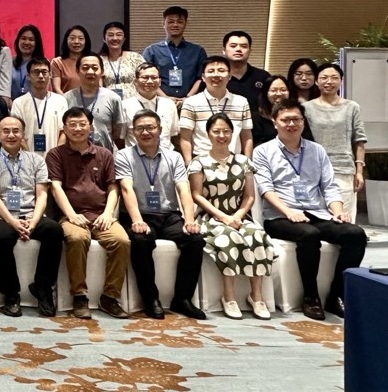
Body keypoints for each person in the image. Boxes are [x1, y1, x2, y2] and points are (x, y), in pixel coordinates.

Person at [254, 99, 367, 320]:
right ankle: (311, 297)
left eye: (296, 119)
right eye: (285, 120)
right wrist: (289, 212)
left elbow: (329, 186)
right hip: (280, 216)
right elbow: (265, 189)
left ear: (303, 122)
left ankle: (337, 295)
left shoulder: (317, 150)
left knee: (355, 234)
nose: (291, 124)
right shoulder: (263, 151)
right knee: (309, 235)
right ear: (275, 122)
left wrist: (337, 211)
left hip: (316, 212)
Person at [116, 110, 205, 320]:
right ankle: (150, 299)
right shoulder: (123, 155)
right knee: (140, 240)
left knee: (195, 240)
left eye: (150, 127)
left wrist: (189, 220)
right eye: (140, 128)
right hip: (138, 214)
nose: (146, 132)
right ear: (133, 132)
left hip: (168, 215)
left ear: (160, 130)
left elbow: (183, 188)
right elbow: (126, 189)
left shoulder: (173, 157)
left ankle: (182, 299)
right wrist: (137, 220)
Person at [47, 107, 130, 320]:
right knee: (77, 239)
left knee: (121, 241)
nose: (78, 129)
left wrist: (108, 213)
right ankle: (79, 296)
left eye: (82, 124)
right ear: (64, 129)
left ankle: (110, 297)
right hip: (70, 216)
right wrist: (71, 214)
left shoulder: (104, 154)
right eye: (72, 125)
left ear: (90, 127)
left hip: (101, 215)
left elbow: (113, 188)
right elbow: (55, 187)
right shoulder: (55, 154)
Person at [189, 113, 274, 320]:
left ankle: (256, 296)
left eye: (226, 131)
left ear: (232, 133)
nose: (221, 136)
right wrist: (223, 217)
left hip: (239, 216)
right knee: (228, 237)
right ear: (208, 134)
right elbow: (197, 195)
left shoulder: (243, 162)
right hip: (210, 217)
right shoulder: (199, 162)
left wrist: (238, 215)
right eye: (216, 131)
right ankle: (229, 296)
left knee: (257, 236)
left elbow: (250, 196)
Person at [0, 116, 63, 317]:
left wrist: (33, 221)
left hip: (32, 214)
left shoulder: (36, 160)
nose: (11, 135)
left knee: (54, 230)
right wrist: (12, 222)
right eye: (6, 131)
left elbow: (42, 194)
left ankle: (43, 287)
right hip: (4, 216)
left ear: (23, 135)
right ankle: (11, 294)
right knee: (1, 236)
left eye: (16, 131)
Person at [304, 63, 368, 223]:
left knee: (344, 218)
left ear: (341, 81)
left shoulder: (352, 107)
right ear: (316, 81)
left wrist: (359, 171)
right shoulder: (306, 108)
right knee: (317, 219)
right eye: (324, 78)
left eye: (334, 78)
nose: (329, 81)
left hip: (343, 169)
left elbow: (359, 140)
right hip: (313, 170)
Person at [179, 56, 253, 164]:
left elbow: (246, 136)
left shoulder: (241, 102)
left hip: (234, 161)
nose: (216, 74)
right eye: (211, 71)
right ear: (203, 77)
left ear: (230, 76)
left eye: (221, 71)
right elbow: (185, 138)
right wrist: (189, 164)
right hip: (201, 161)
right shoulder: (191, 102)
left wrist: (248, 163)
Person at [141, 6, 207, 100]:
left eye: (180, 22)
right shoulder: (152, 51)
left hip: (191, 102)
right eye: (171, 22)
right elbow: (146, 77)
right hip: (159, 101)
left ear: (186, 24)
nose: (175, 25)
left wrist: (188, 98)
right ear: (163, 24)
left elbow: (201, 78)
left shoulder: (198, 51)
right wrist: (165, 98)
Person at [63, 53, 125, 152]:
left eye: (95, 68)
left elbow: (117, 132)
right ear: (77, 71)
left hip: (104, 155)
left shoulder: (113, 98)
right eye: (85, 68)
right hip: (72, 155)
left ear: (102, 71)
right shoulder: (66, 98)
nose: (90, 72)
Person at [9, 58, 67, 158]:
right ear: (28, 76)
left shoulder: (60, 101)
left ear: (50, 75)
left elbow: (64, 132)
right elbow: (17, 133)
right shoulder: (19, 103)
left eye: (44, 72)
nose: (40, 76)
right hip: (26, 158)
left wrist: (55, 157)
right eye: (36, 72)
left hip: (54, 159)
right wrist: (29, 158)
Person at [121, 63, 180, 152]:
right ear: (135, 82)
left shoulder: (169, 104)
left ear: (159, 81)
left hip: (165, 156)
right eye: (145, 77)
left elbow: (174, 134)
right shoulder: (125, 105)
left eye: (154, 77)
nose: (150, 81)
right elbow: (120, 138)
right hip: (135, 157)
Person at [253, 75, 313, 145]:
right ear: (266, 93)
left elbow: (308, 139)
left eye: (283, 90)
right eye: (273, 90)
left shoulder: (297, 113)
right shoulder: (256, 117)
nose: (279, 93)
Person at [99, 22, 145, 99]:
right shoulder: (99, 60)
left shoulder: (136, 57)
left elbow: (147, 78)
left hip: (133, 101)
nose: (115, 38)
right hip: (108, 101)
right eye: (110, 35)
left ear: (124, 38)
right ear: (104, 38)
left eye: (119, 35)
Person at [223, 31, 270, 101]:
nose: (238, 49)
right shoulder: (217, 77)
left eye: (244, 46)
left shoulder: (263, 76)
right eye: (233, 46)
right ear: (224, 50)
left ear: (250, 50)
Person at [50, 25, 89, 94]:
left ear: (86, 41)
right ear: (66, 40)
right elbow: (57, 89)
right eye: (72, 38)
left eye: (81, 38)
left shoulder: (92, 61)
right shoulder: (58, 62)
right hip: (64, 99)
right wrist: (66, 100)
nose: (76, 42)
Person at [10, 24, 45, 99]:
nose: (26, 42)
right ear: (18, 41)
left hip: (35, 103)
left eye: (31, 39)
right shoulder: (9, 62)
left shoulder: (43, 64)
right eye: (23, 38)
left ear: (37, 43)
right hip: (11, 104)